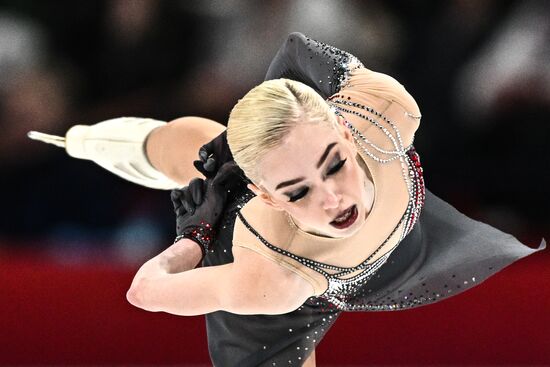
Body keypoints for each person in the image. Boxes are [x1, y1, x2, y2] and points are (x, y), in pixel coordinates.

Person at [29, 32, 546, 367]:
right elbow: (145, 292)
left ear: (346, 130)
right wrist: (194, 239)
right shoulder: (271, 280)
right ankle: (78, 139)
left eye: (334, 163)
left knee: (214, 145)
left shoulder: (388, 113)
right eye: (298, 191)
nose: (332, 198)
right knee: (192, 152)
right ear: (269, 199)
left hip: (387, 228)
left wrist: (286, 123)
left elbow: (302, 49)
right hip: (297, 278)